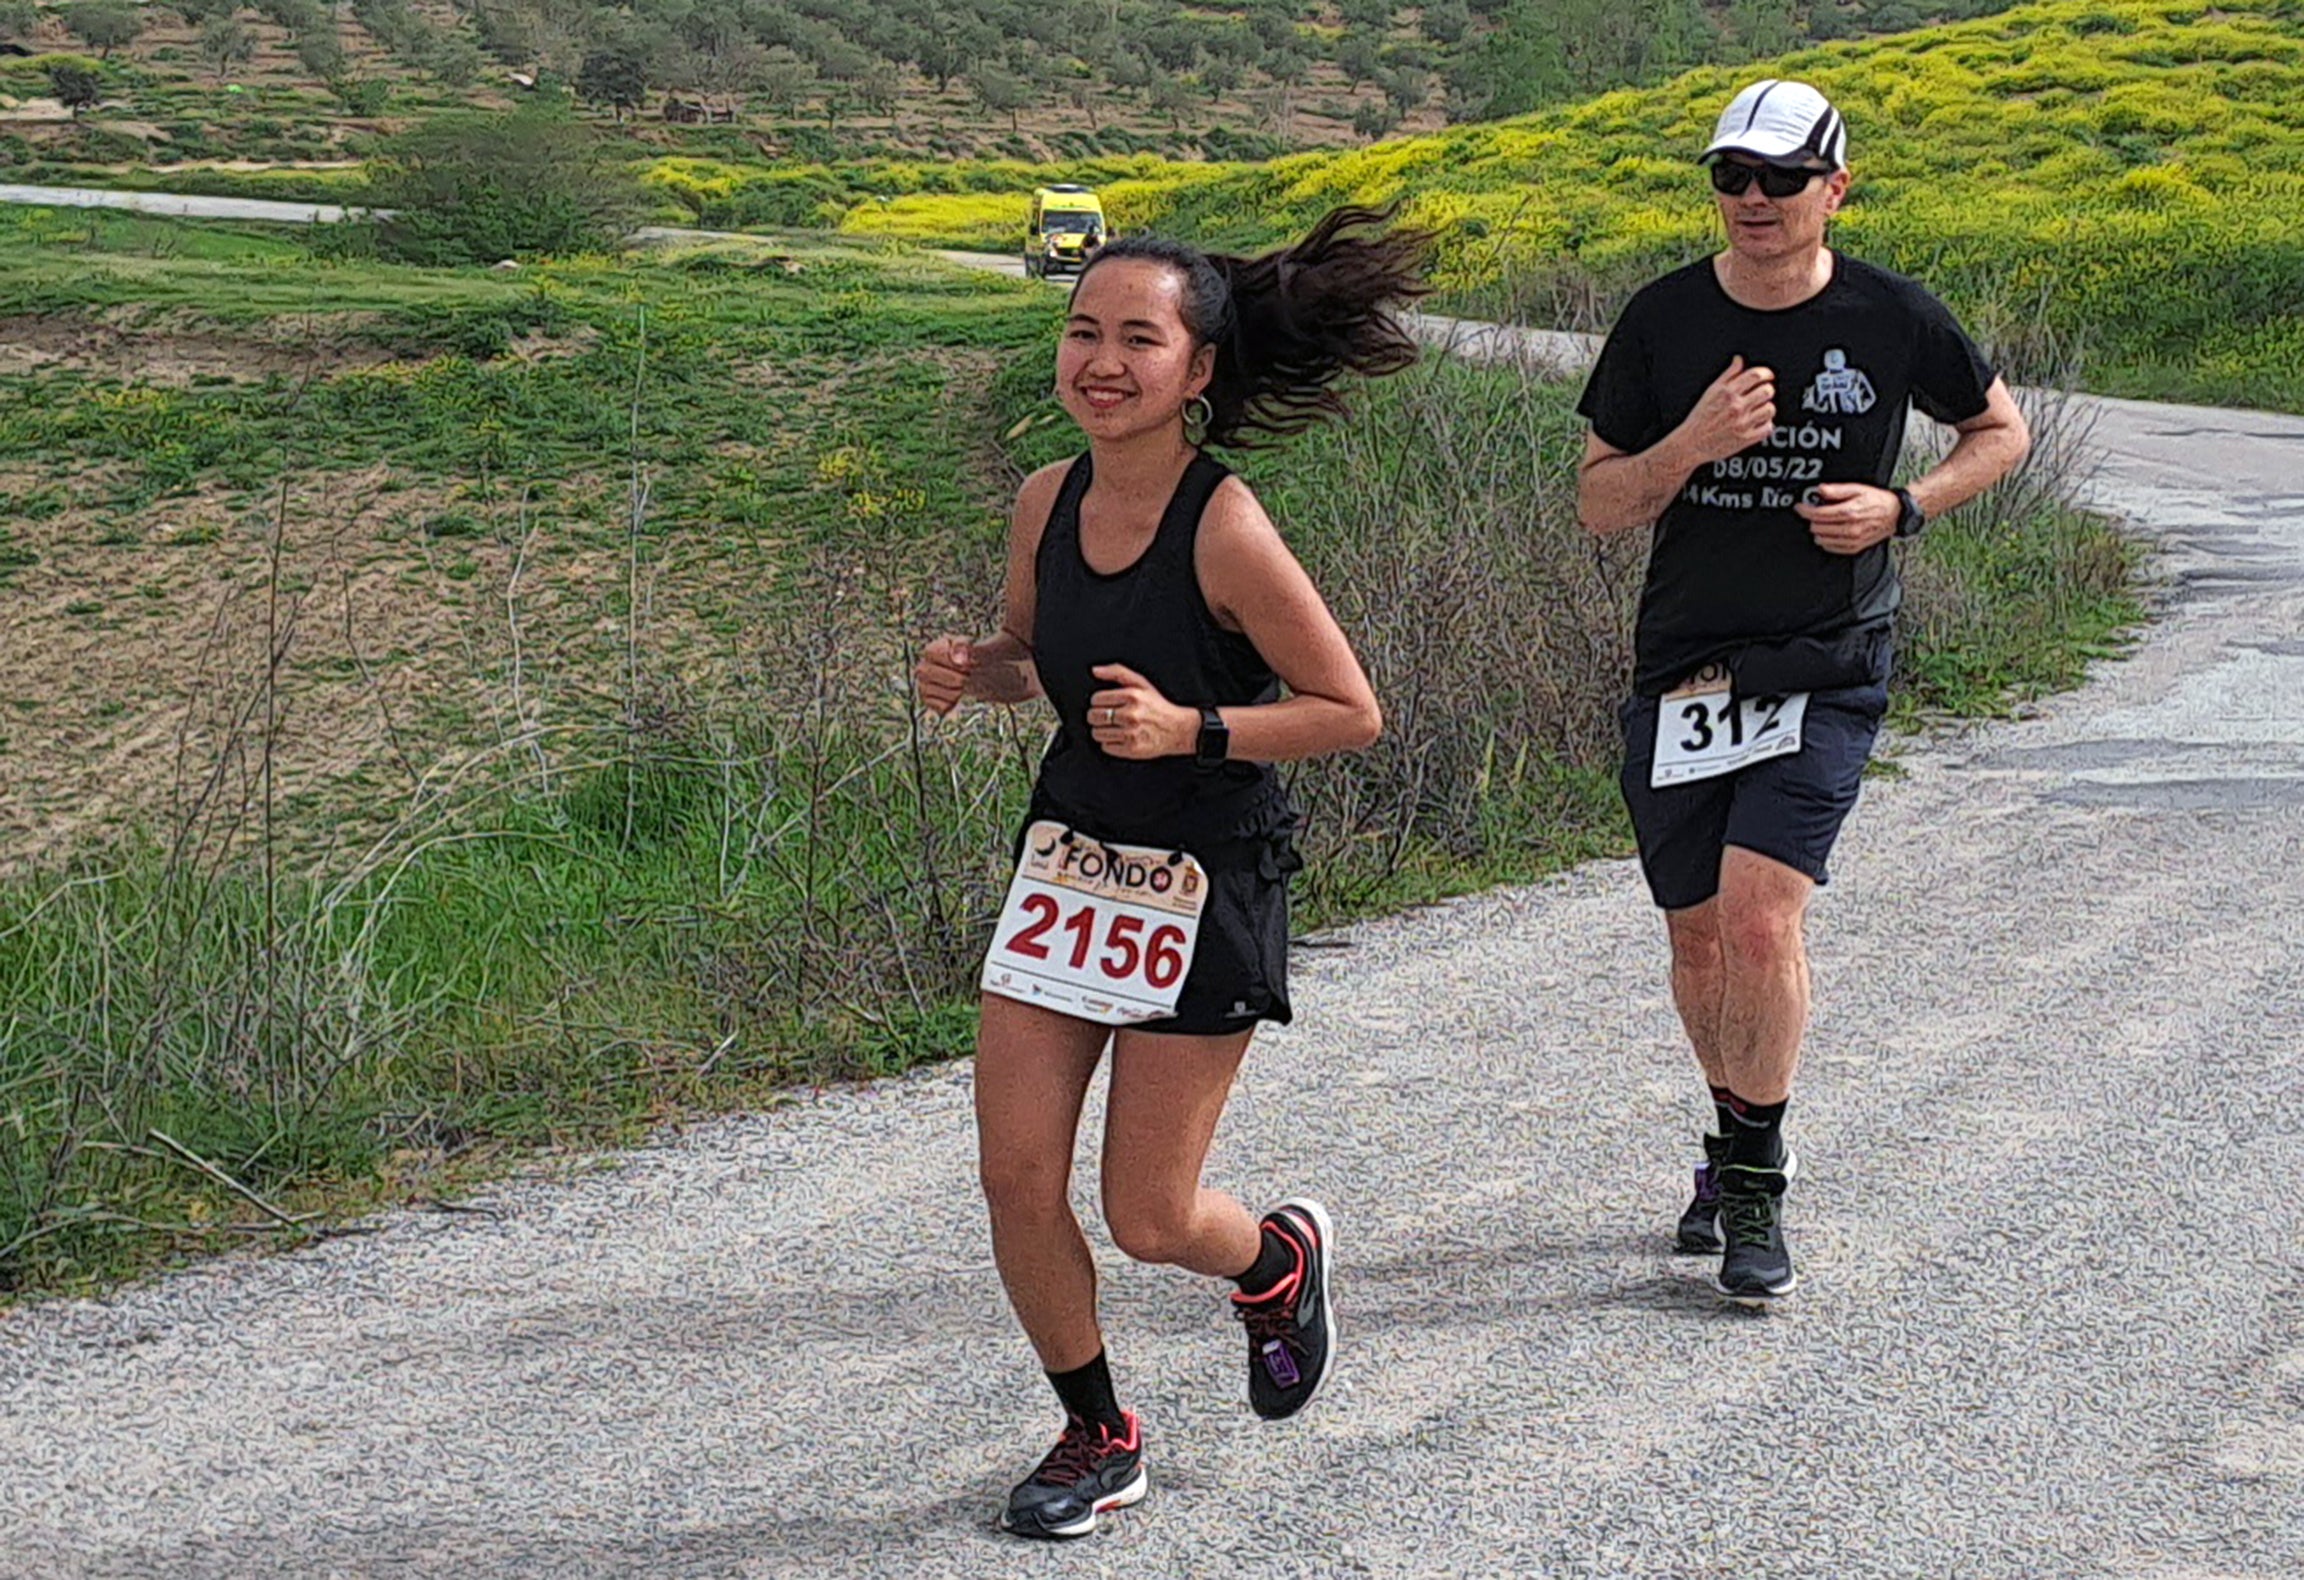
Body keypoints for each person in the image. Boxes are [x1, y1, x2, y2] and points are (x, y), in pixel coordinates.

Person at [914, 207, 1426, 1537]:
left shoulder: (1226, 527)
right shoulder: (1047, 497)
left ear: (1197, 372)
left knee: (1148, 1215)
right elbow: (1037, 655)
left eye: (1139, 339)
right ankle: (1098, 1434)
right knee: (1016, 1177)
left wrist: (1195, 727)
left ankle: (1272, 1262)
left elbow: (1347, 708)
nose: (1102, 360)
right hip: (1074, 866)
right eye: (1084, 331)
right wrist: (982, 671)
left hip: (1203, 878)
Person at [1573, 80, 2031, 1305]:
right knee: (1696, 932)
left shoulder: (1892, 315)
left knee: (1761, 911)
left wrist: (1905, 506)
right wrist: (1692, 445)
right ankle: (1729, 1137)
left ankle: (1757, 1179)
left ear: (1838, 186)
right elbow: (1601, 502)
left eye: (1782, 177)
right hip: (1684, 665)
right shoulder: (1663, 321)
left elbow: (2002, 432)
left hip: (1826, 661)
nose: (1755, 200)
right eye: (1734, 176)